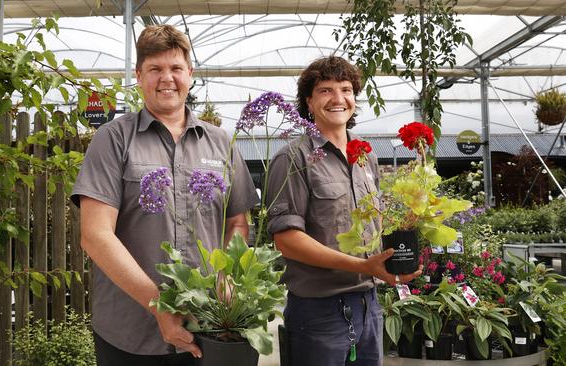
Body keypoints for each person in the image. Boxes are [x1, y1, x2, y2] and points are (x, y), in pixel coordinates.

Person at [71, 24, 258, 366]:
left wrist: (226, 276)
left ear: (191, 74)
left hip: (208, 325)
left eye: (175, 68)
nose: (166, 78)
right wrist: (160, 305)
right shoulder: (112, 140)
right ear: (139, 75)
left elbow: (237, 223)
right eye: (155, 69)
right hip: (130, 332)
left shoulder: (221, 143)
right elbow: (95, 235)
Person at [265, 56, 423, 366]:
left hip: (369, 305)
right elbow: (286, 240)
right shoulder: (293, 158)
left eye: (346, 89)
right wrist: (362, 266)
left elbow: (375, 224)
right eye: (325, 90)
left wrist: (403, 245)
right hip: (318, 313)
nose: (338, 99)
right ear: (309, 101)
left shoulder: (365, 157)